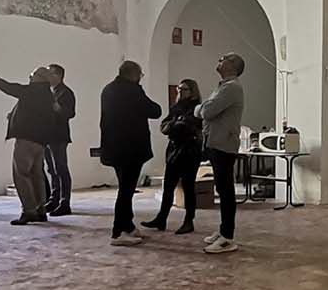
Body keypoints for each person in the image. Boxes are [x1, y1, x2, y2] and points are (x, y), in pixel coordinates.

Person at [0, 65, 57, 225]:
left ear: (39, 78)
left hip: (26, 140)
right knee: (36, 175)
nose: (30, 76)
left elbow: (6, 87)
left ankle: (28, 211)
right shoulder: (48, 95)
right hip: (41, 142)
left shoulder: (31, 91)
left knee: (21, 175)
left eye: (32, 74)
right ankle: (40, 210)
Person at [99, 60, 162, 246]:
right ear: (133, 74)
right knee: (126, 191)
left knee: (125, 188)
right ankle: (118, 232)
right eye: (140, 75)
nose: (140, 78)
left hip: (114, 147)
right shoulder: (132, 90)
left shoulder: (108, 89)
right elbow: (155, 111)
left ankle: (128, 226)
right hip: (130, 148)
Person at [196, 52, 246, 254]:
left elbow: (206, 111)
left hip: (224, 145)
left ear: (232, 66)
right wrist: (203, 109)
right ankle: (223, 230)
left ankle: (227, 237)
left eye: (224, 58)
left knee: (226, 191)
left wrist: (201, 109)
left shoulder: (231, 87)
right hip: (217, 143)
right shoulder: (223, 87)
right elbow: (207, 109)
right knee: (222, 189)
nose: (219, 59)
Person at [142, 79, 203, 235]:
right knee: (168, 186)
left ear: (192, 91)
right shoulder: (176, 107)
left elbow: (188, 126)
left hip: (189, 149)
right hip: (174, 148)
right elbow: (165, 125)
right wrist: (174, 124)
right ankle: (161, 218)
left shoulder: (197, 108)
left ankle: (189, 221)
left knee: (188, 187)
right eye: (179, 89)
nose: (180, 91)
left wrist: (175, 125)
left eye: (184, 89)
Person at [43, 63, 76, 216]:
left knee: (61, 168)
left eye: (50, 73)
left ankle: (65, 202)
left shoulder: (66, 92)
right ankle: (54, 199)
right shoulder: (48, 91)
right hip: (47, 136)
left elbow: (70, 113)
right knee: (51, 169)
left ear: (58, 76)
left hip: (58, 136)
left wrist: (58, 109)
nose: (47, 77)